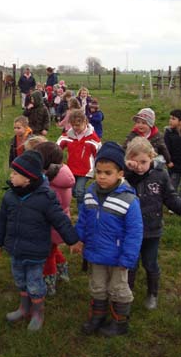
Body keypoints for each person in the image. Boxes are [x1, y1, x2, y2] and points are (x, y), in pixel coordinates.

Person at [0, 150, 79, 331]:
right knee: (20, 279)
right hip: (16, 249)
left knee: (34, 283)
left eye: (15, 173)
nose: (11, 176)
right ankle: (24, 307)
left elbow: (60, 220)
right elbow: (2, 221)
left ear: (28, 178)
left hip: (36, 250)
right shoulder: (10, 196)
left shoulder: (45, 198)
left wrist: (73, 240)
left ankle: (38, 312)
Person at [74, 142, 143, 337]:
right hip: (95, 252)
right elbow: (83, 220)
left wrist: (128, 258)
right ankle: (98, 316)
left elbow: (135, 232)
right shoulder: (89, 193)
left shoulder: (129, 199)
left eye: (108, 172)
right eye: (98, 172)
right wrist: (79, 239)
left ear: (120, 173)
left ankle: (120, 322)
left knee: (118, 288)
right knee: (97, 286)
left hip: (118, 256)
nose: (102, 177)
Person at [124, 137, 181, 310]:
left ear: (152, 158)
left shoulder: (160, 174)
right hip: (129, 229)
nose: (140, 166)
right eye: (135, 162)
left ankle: (152, 293)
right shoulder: (125, 175)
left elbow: (170, 197)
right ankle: (127, 292)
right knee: (130, 263)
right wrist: (128, 171)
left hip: (152, 229)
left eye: (144, 161)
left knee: (150, 262)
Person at [35, 142, 75, 296]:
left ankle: (49, 283)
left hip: (50, 226)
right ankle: (62, 270)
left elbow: (46, 207)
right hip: (60, 223)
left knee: (47, 255)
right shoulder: (62, 173)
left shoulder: (51, 183)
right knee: (53, 249)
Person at [57, 109, 101, 208]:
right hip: (72, 168)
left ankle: (82, 210)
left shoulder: (92, 138)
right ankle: (87, 199)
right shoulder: (69, 135)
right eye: (73, 125)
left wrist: (98, 168)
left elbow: (99, 152)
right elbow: (58, 145)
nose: (75, 128)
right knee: (72, 190)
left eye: (78, 125)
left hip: (86, 170)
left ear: (85, 122)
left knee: (79, 191)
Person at [164, 109, 181, 192]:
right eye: (170, 118)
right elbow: (165, 149)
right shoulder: (168, 133)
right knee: (172, 189)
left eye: (173, 119)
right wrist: (168, 161)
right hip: (174, 167)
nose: (170, 121)